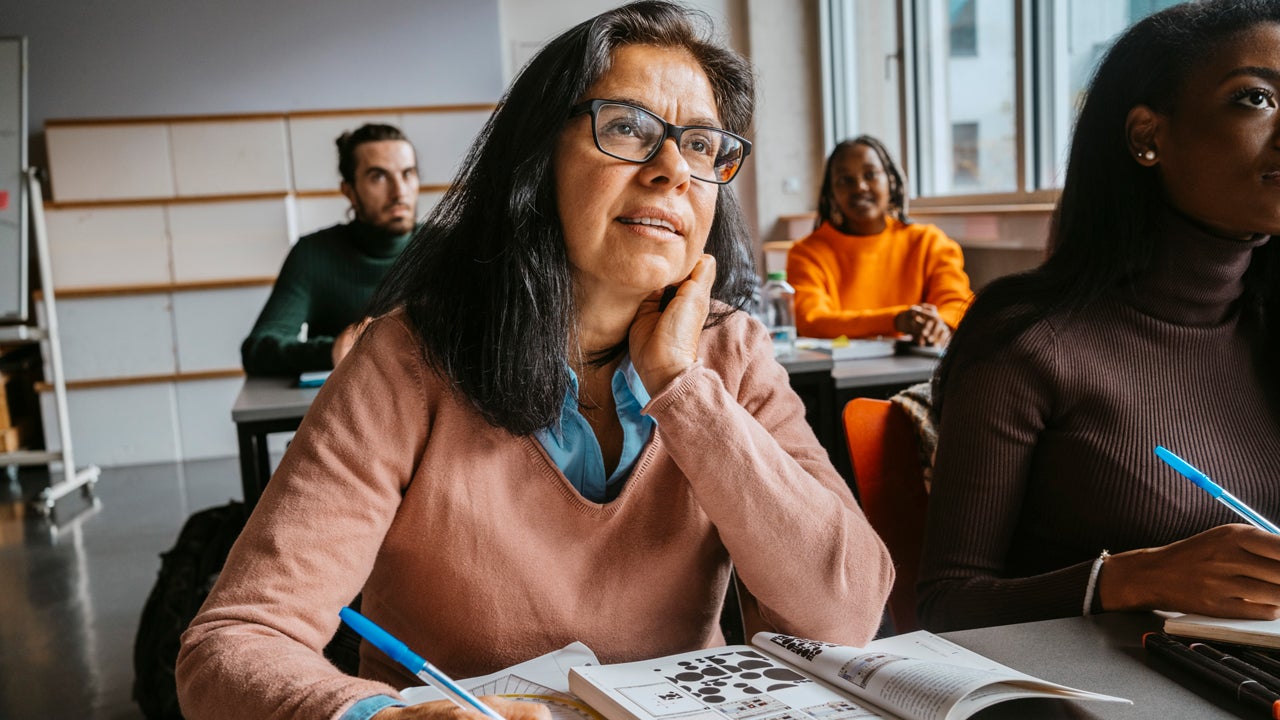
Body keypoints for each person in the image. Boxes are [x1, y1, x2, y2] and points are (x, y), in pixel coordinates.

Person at [176, 3, 894, 719]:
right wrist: (381, 718)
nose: (673, 169)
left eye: (703, 145)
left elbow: (847, 611)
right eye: (627, 129)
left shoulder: (731, 350)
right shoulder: (407, 358)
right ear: (536, 159)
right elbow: (234, 642)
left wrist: (682, 386)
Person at [917, 0, 1280, 633]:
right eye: (1255, 99)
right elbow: (947, 604)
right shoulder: (1028, 337)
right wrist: (1133, 577)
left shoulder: (1267, 323)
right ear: (1147, 137)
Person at [240, 123, 420, 375]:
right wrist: (331, 351)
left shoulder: (445, 246)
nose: (399, 191)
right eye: (378, 176)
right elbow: (258, 350)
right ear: (349, 191)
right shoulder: (313, 254)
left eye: (407, 174)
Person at [785, 136, 973, 346]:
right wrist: (897, 320)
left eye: (870, 174)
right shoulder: (806, 252)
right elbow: (813, 321)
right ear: (832, 194)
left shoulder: (929, 242)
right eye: (845, 180)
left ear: (890, 180)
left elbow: (957, 304)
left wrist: (938, 326)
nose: (860, 187)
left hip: (922, 365)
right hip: (841, 373)